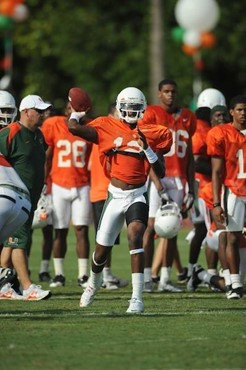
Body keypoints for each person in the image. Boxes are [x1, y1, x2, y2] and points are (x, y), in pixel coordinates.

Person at [68, 87, 172, 313]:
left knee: (136, 235)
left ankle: (137, 298)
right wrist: (78, 111)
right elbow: (73, 127)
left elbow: (161, 171)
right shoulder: (106, 125)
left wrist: (148, 150)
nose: (132, 111)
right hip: (115, 195)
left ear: (143, 108)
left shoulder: (155, 132)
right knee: (101, 252)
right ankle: (93, 284)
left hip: (137, 194)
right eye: (128, 107)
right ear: (119, 108)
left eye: (136, 107)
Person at [142, 79, 196, 292]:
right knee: (150, 225)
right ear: (159, 94)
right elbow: (146, 153)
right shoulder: (152, 114)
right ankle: (146, 278)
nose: (170, 95)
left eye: (173, 91)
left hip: (179, 178)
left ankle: (165, 278)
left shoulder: (187, 117)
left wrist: (191, 188)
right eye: (166, 91)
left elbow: (190, 156)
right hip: (159, 175)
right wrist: (157, 184)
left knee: (172, 228)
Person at [0, 94, 52, 300]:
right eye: (38, 111)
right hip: (14, 198)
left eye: (43, 111)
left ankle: (4, 285)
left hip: (30, 197)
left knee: (11, 242)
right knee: (19, 242)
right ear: (25, 111)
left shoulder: (39, 135)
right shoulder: (10, 133)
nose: (42, 114)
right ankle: (28, 286)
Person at [41, 88, 93, 288]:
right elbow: (46, 156)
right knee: (60, 230)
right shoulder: (53, 124)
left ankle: (82, 275)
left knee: (81, 230)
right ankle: (59, 274)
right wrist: (44, 183)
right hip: (59, 184)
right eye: (70, 108)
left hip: (82, 185)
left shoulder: (87, 127)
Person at [187, 89, 227, 291]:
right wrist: (223, 168)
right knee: (214, 232)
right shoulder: (204, 131)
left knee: (205, 230)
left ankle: (206, 273)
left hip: (214, 188)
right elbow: (196, 162)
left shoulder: (215, 129)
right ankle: (207, 274)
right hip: (206, 188)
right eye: (217, 114)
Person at [207, 94, 246, 299]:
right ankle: (235, 284)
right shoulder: (222, 134)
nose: (243, 113)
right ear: (232, 112)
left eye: (245, 109)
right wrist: (215, 203)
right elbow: (216, 171)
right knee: (232, 236)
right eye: (239, 109)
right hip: (234, 190)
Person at [89, 103, 128, 289]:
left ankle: (107, 274)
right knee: (103, 238)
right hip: (103, 189)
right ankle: (99, 276)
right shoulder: (106, 130)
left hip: (110, 190)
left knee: (110, 238)